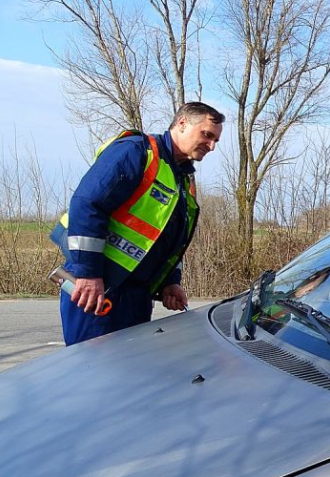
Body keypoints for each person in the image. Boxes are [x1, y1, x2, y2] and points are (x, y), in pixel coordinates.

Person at [50, 102, 224, 346]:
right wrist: (88, 274)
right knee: (92, 375)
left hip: (137, 296)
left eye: (216, 140)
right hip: (100, 290)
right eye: (207, 135)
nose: (211, 146)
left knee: (128, 377)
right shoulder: (136, 151)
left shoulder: (181, 179)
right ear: (182, 123)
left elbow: (166, 238)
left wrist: (169, 282)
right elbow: (87, 204)